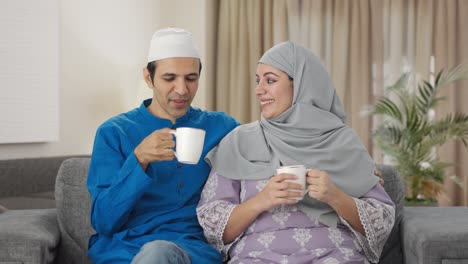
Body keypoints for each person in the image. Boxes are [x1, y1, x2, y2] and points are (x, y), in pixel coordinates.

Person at [197, 41, 395, 263]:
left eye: (270, 80)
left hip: (336, 254)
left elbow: (381, 222)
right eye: (257, 80)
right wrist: (262, 200)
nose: (259, 89)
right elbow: (215, 229)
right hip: (257, 257)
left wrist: (336, 196)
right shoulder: (238, 142)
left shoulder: (343, 142)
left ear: (300, 85)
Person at [86, 28, 239, 264]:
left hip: (193, 249)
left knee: (160, 253)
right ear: (148, 77)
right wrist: (138, 161)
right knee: (155, 254)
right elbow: (104, 221)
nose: (181, 90)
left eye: (191, 78)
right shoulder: (114, 132)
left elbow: (266, 150)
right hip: (125, 248)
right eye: (169, 78)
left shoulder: (221, 127)